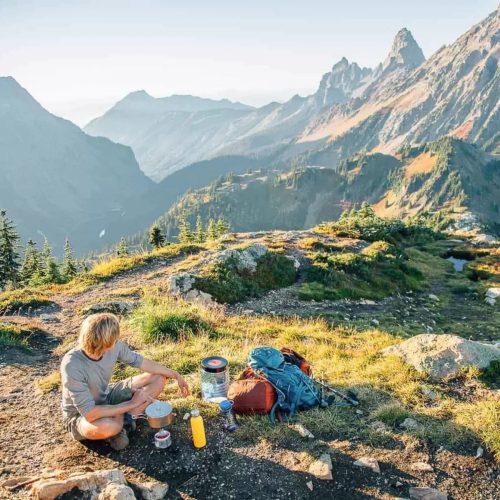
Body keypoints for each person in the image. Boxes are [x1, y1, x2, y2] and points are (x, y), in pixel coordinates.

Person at [60, 313, 189, 450]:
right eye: (114, 339)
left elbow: (141, 362)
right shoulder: (72, 365)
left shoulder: (115, 347)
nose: (117, 341)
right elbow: (90, 413)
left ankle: (123, 420)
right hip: (81, 416)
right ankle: (124, 421)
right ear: (106, 341)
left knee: (158, 377)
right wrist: (132, 403)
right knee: (109, 427)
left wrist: (176, 375)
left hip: (107, 395)